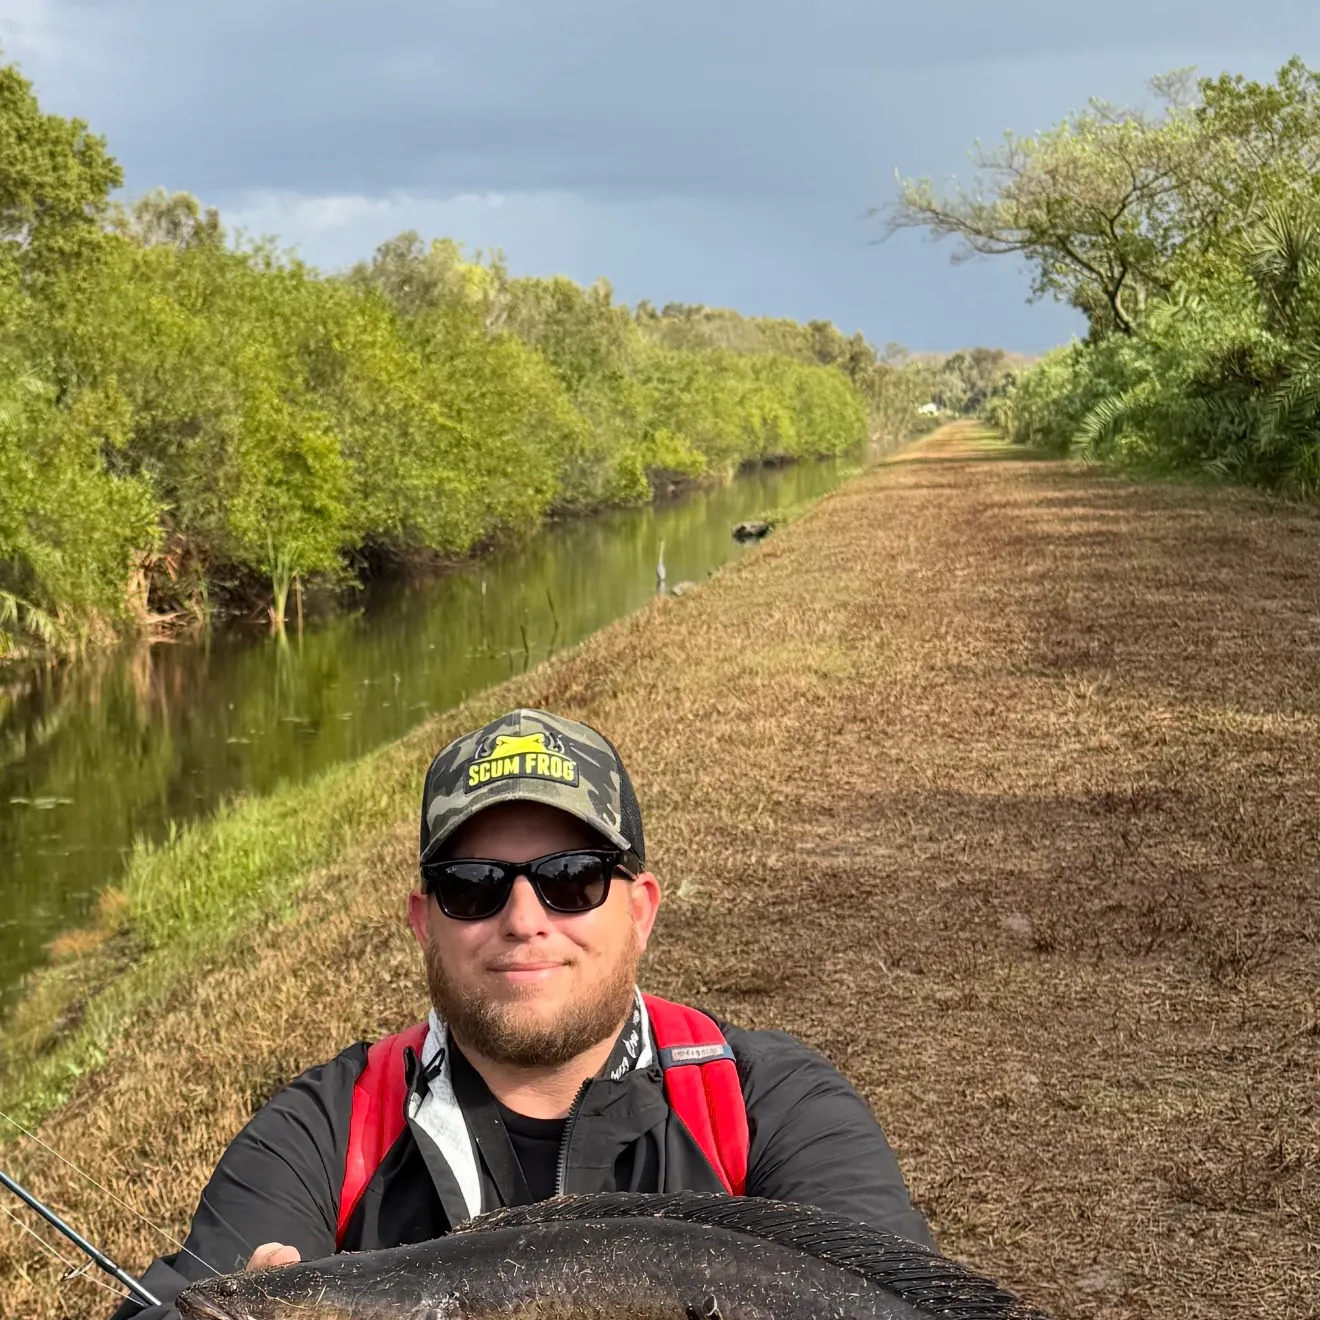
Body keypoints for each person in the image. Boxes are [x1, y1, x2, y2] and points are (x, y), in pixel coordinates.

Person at [112, 709, 933, 1318]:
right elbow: (182, 1302)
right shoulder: (326, 1129)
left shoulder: (772, 1105)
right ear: (424, 920)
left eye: (571, 878)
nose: (525, 919)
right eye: (474, 886)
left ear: (640, 910)